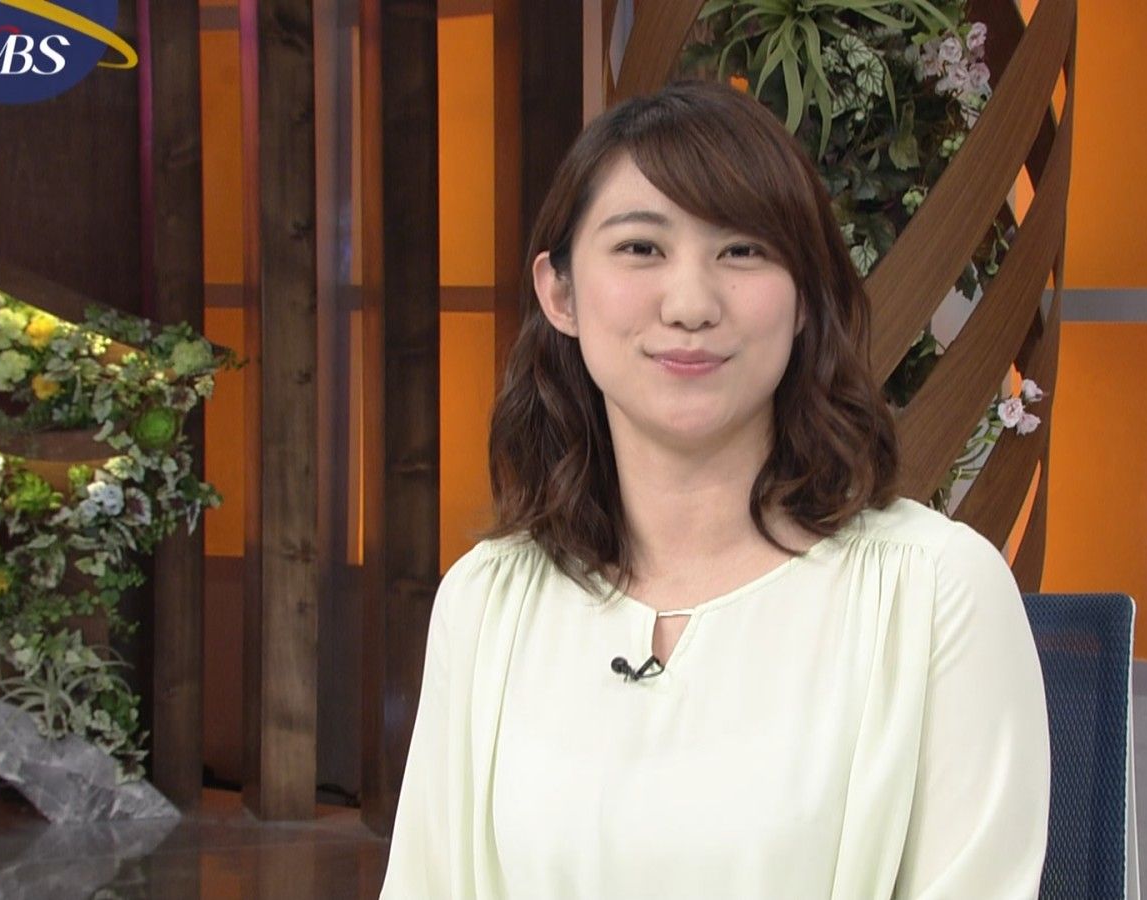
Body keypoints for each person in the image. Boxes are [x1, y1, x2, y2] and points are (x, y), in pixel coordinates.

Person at [381, 78, 1050, 899]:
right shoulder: (487, 601)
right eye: (640, 248)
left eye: (742, 251)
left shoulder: (934, 590)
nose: (691, 304)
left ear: (805, 298)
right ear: (560, 293)